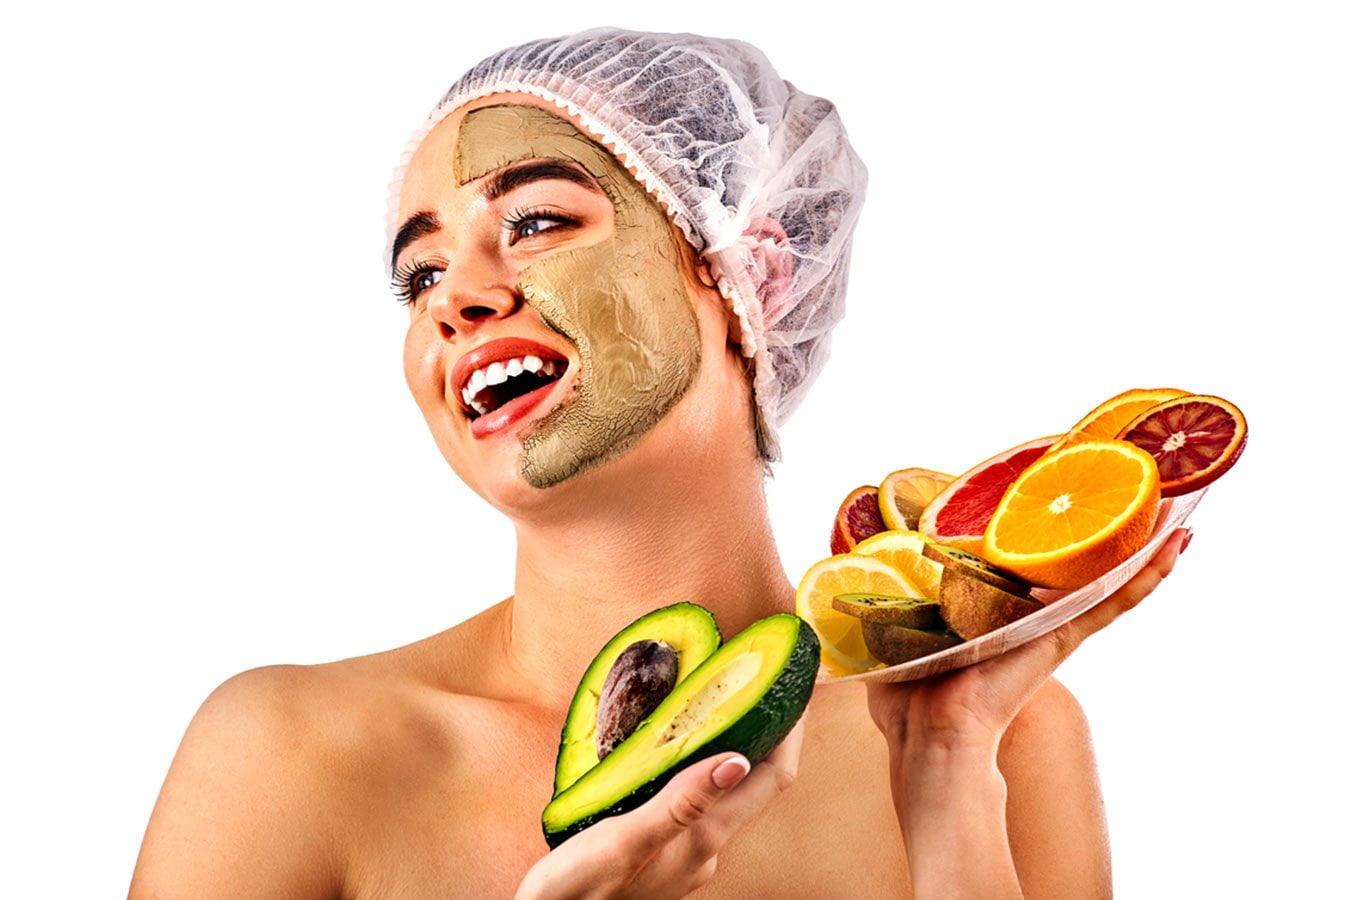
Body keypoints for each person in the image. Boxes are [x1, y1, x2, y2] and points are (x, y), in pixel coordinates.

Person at [130, 27, 1190, 898]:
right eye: (420, 274)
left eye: (536, 220)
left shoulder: (1005, 737)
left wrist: (948, 771)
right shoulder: (285, 758)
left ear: (748, 277)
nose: (454, 298)